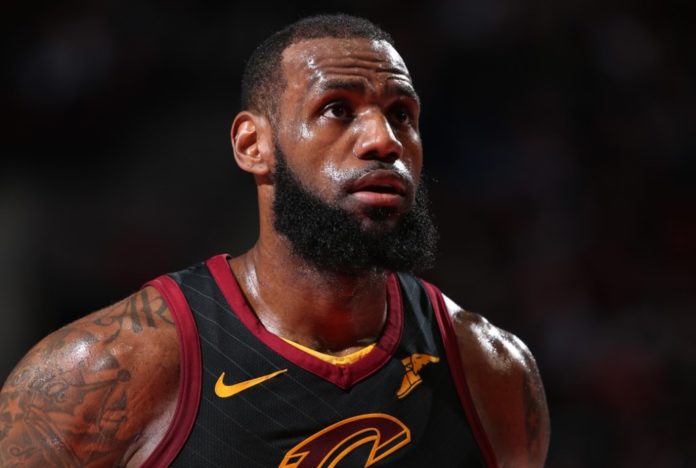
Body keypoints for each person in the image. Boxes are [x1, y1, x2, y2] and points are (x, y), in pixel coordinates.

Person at [0, 14, 550, 467]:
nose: (384, 140)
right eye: (337, 109)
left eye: (401, 115)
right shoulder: (99, 375)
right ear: (252, 145)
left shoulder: (491, 371)